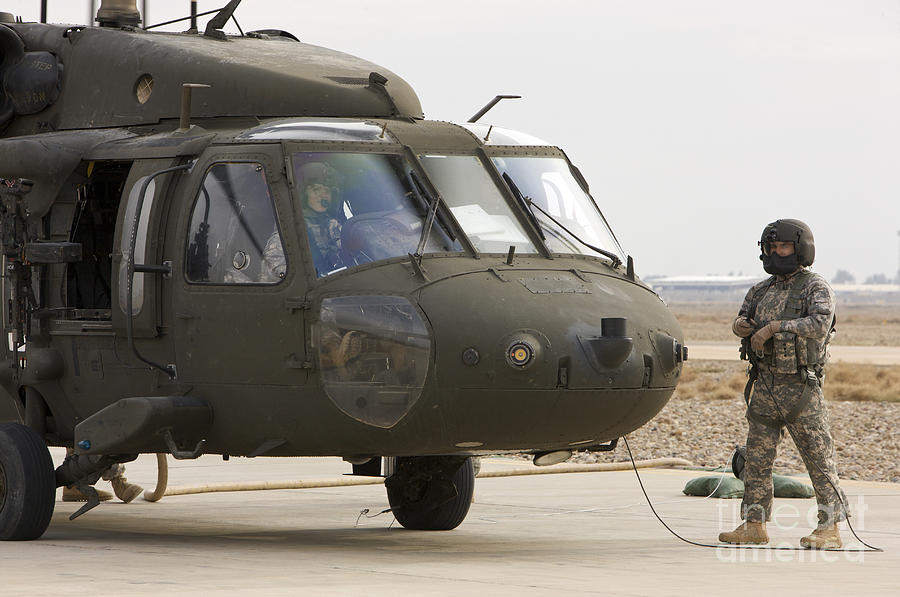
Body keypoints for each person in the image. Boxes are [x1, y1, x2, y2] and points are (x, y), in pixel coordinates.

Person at [720, 219, 847, 549]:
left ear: (800, 248)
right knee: (757, 460)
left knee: (818, 458)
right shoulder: (760, 290)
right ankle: (753, 524)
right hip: (765, 384)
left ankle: (831, 528)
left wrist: (774, 327)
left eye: (784, 247)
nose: (777, 252)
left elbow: (819, 323)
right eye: (771, 247)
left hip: (800, 388)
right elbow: (740, 319)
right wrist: (744, 327)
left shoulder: (814, 287)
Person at [297, 162, 344, 275]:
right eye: (316, 189)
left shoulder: (333, 225)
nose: (323, 195)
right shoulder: (291, 232)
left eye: (327, 190)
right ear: (303, 194)